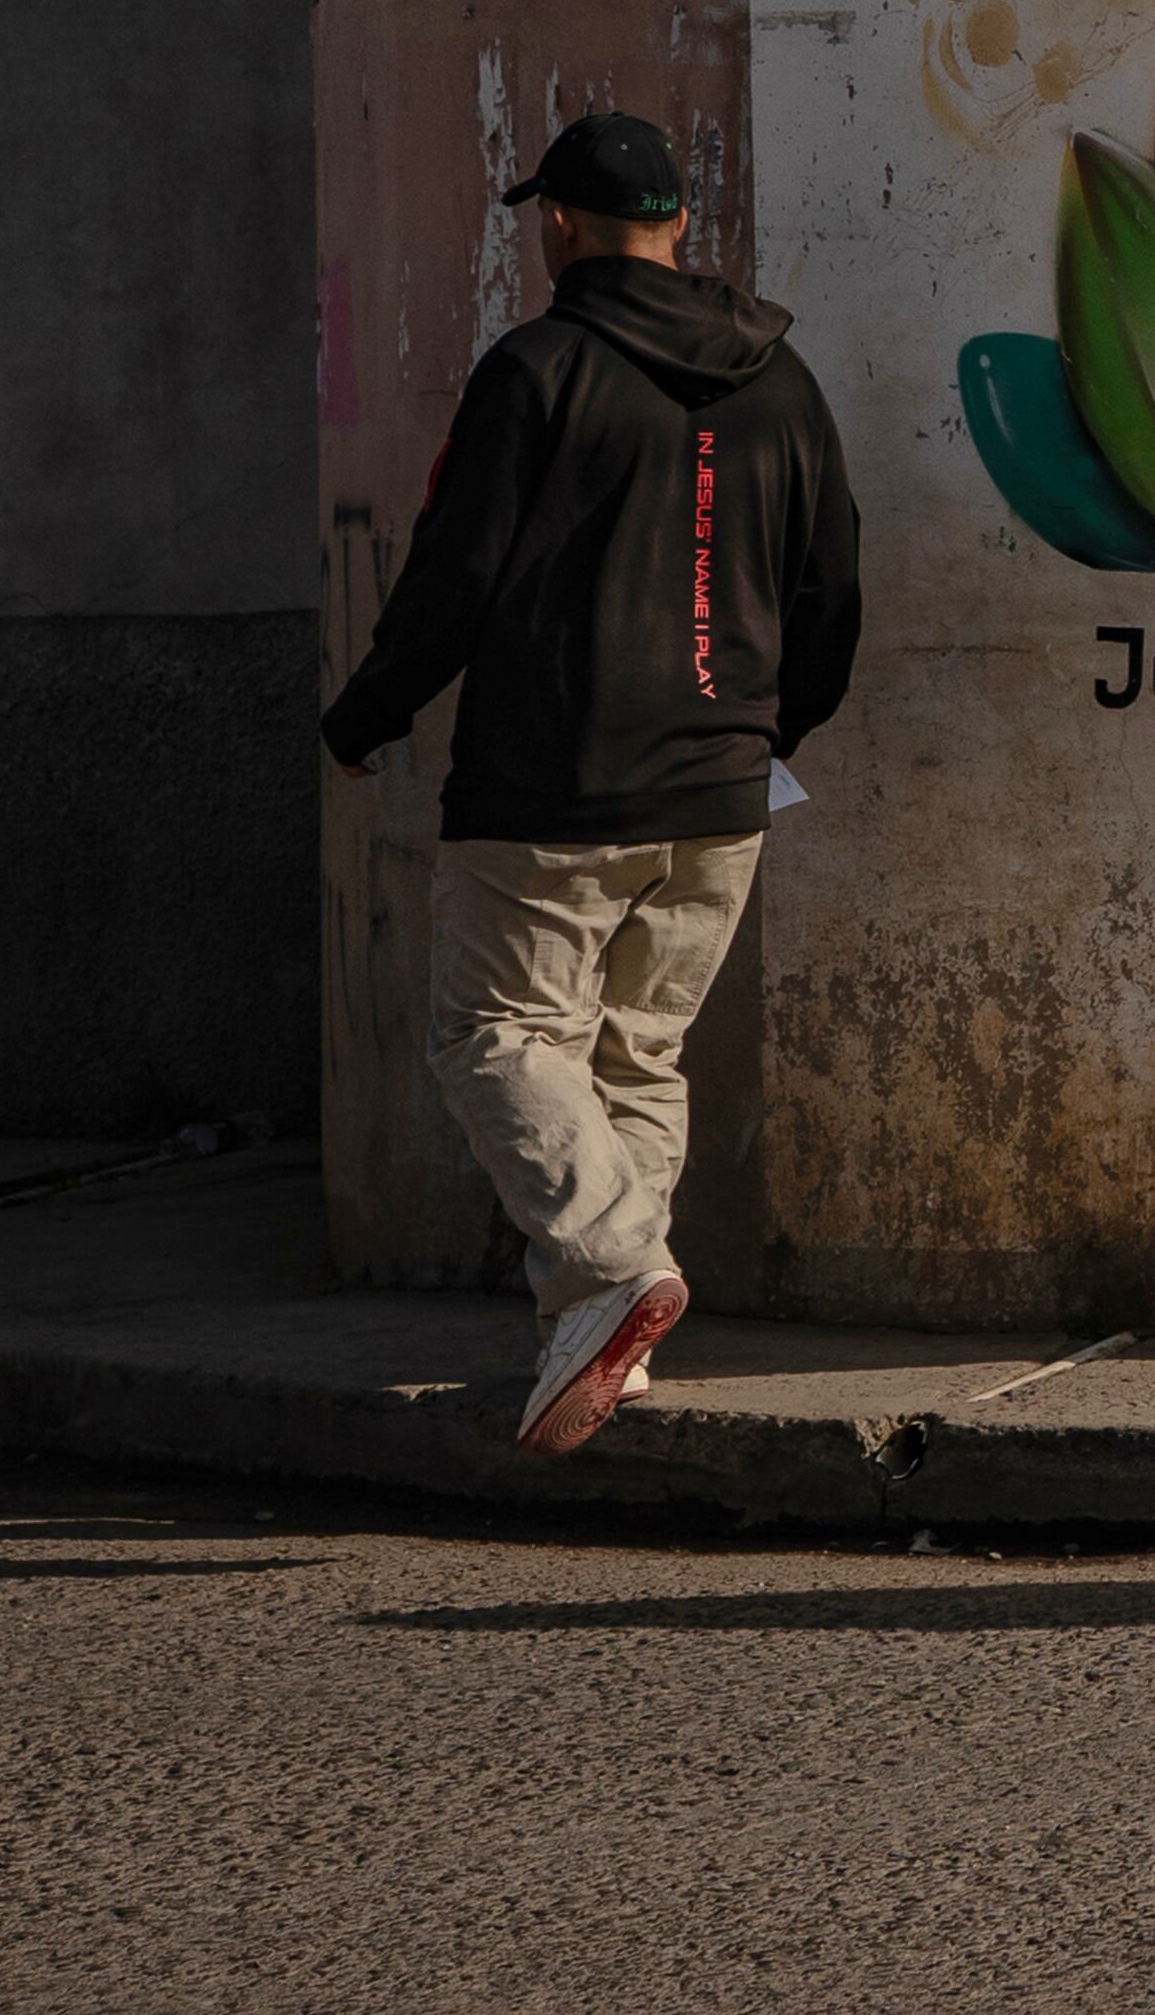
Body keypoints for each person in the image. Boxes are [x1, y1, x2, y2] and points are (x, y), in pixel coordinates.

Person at [321, 112, 865, 1459]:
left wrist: (369, 710)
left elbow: (456, 573)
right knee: (637, 1050)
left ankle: (614, 1270)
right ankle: (605, 1345)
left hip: (553, 786)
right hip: (722, 786)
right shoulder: (781, 378)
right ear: (681, 226)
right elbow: (832, 589)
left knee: (497, 1035)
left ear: (558, 225)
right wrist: (766, 729)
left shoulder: (537, 368)